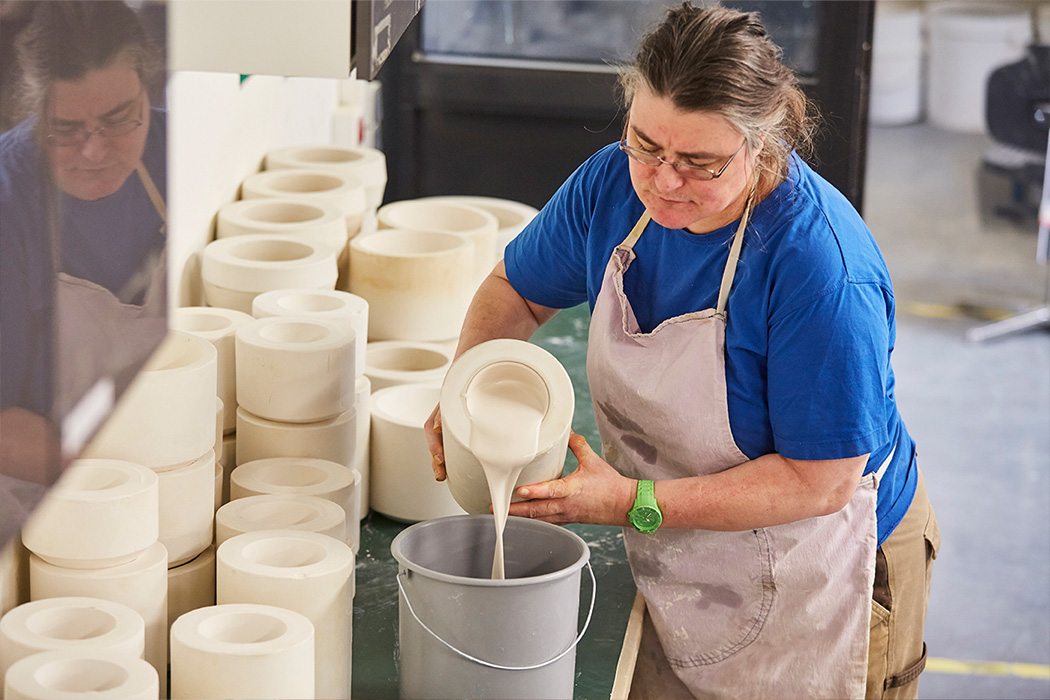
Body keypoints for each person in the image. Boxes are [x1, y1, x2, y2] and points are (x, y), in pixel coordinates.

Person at [425, 4, 939, 698]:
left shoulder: (818, 269)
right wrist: (463, 389)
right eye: (646, 145)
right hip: (684, 535)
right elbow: (515, 288)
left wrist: (633, 503)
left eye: (700, 163)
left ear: (763, 143)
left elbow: (820, 484)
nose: (664, 181)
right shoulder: (612, 183)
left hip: (821, 565)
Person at [0, 1, 166, 547]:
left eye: (119, 119)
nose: (94, 151)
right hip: (37, 506)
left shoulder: (176, 154)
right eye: (64, 129)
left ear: (148, 90)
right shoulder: (9, 201)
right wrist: (119, 485)